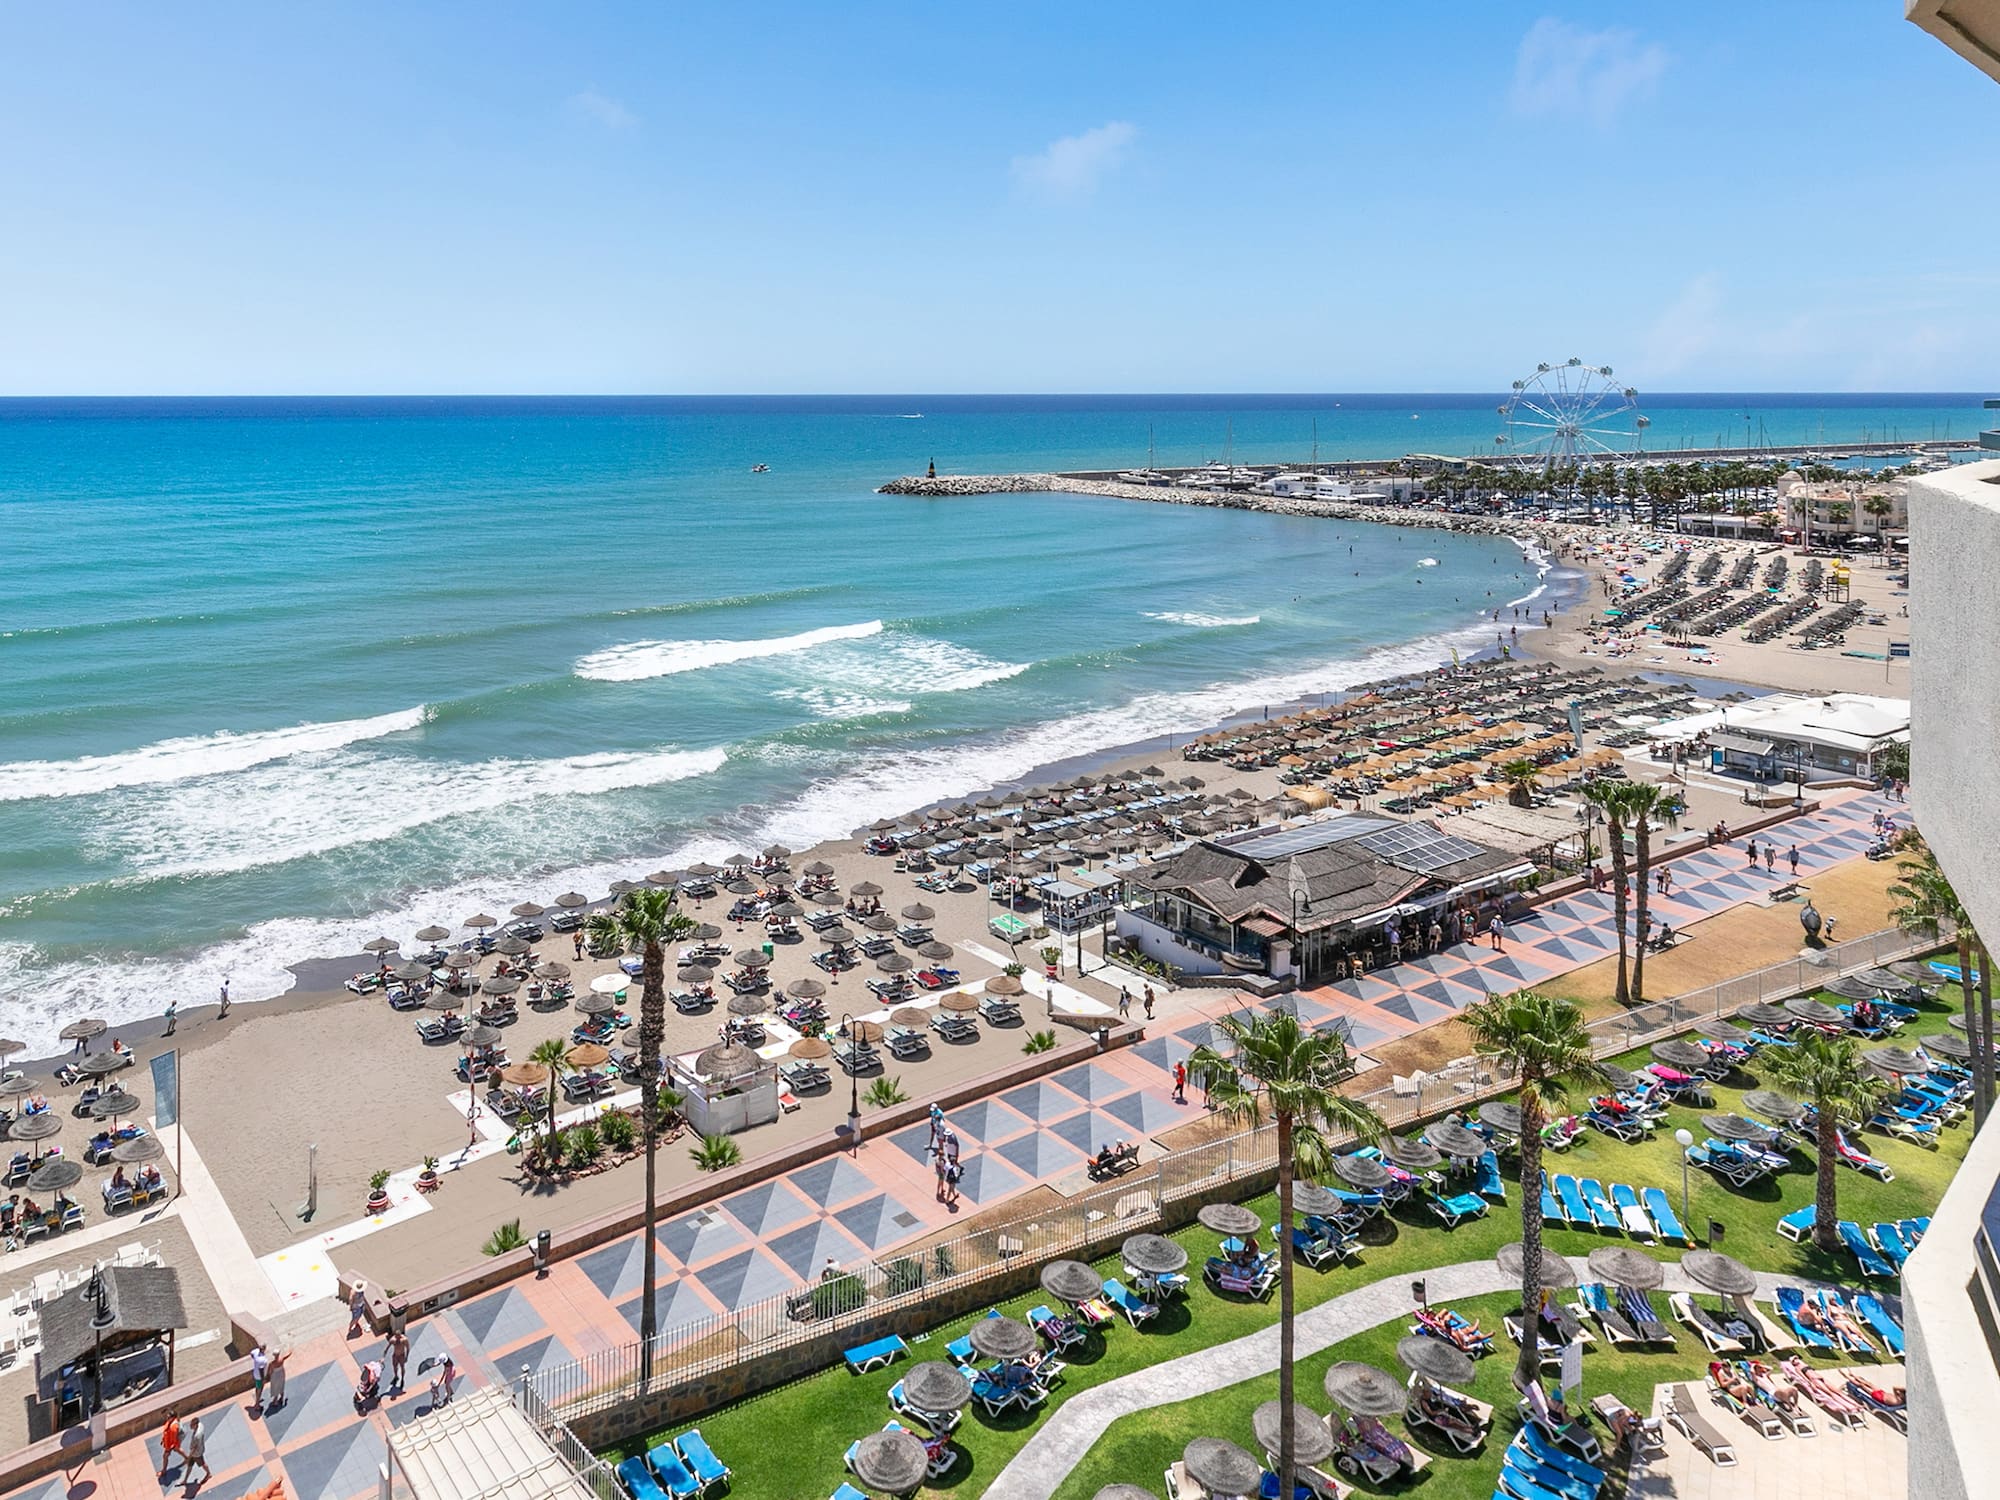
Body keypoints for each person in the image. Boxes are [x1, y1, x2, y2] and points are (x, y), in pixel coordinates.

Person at [181, 1414, 210, 1483]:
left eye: (192, 1425)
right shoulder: (200, 1425)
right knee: (190, 1466)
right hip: (198, 1449)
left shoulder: (196, 1436)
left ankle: (208, 1473)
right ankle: (185, 1480)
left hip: (197, 1454)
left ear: (196, 1425)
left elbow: (194, 1448)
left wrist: (189, 1457)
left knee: (202, 1464)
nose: (190, 1426)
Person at [157, 1410, 183, 1481]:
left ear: (173, 1418)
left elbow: (173, 1439)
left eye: (169, 1417)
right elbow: (166, 1431)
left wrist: (170, 1448)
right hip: (168, 1442)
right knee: (178, 1450)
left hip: (170, 1444)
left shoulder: (173, 1427)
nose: (167, 1418)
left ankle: (164, 1471)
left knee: (165, 1457)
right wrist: (163, 1439)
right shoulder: (169, 1422)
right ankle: (187, 1458)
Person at [266, 1345, 289, 1411]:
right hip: (281, 1373)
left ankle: (275, 1401)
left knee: (275, 1387)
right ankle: (281, 1398)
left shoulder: (272, 1363)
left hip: (275, 1375)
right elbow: (287, 1355)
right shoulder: (281, 1359)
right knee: (281, 1385)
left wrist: (268, 1376)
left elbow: (269, 1371)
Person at [387, 1327, 410, 1391]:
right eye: (396, 1336)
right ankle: (396, 1376)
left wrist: (406, 1357)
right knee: (394, 1366)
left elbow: (408, 1348)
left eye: (398, 1337)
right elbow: (387, 1348)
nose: (397, 1338)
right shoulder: (393, 1340)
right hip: (395, 1355)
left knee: (402, 1367)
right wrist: (383, 1357)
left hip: (401, 1355)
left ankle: (402, 1379)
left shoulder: (404, 1340)